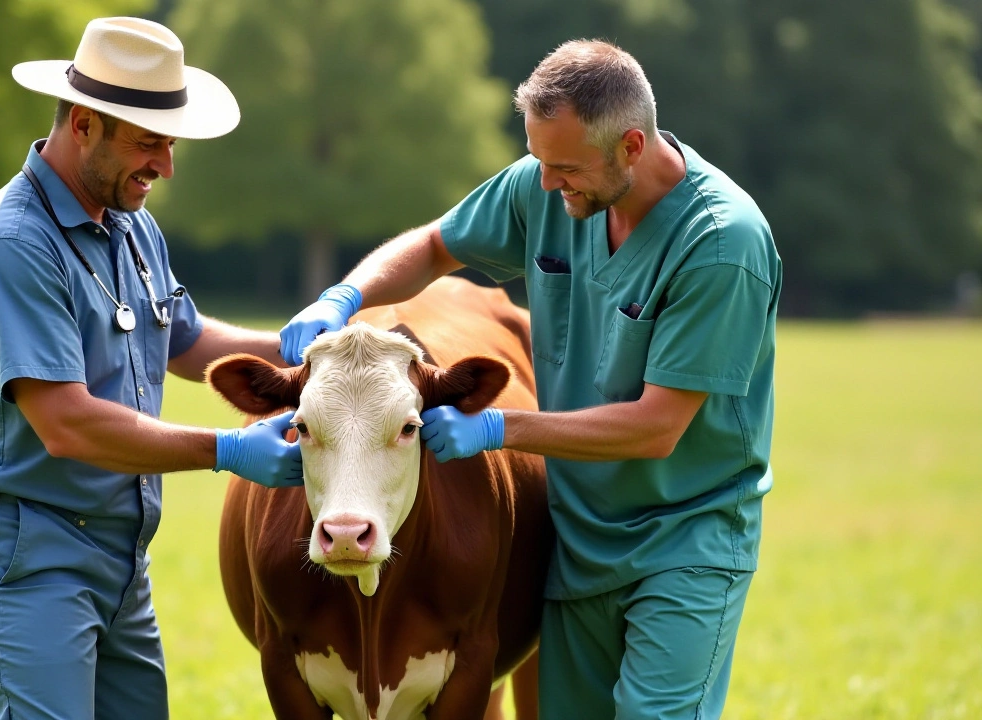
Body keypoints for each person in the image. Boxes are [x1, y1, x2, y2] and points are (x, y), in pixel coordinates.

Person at [280, 39, 780, 720]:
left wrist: (496, 427)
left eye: (564, 166)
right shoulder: (547, 185)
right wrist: (344, 295)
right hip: (577, 537)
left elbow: (657, 427)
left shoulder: (722, 245)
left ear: (631, 146)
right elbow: (434, 246)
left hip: (684, 540)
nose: (546, 184)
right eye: (539, 160)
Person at [0, 17, 302, 720]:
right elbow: (67, 425)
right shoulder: (12, 245)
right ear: (82, 124)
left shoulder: (130, 223)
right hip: (25, 562)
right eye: (148, 142)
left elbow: (186, 340)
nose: (165, 165)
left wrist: (301, 349)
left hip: (121, 562)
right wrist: (226, 449)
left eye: (169, 142)